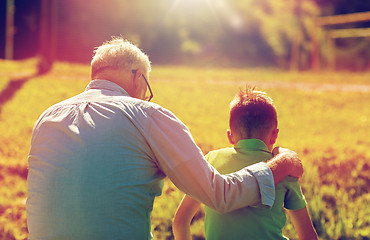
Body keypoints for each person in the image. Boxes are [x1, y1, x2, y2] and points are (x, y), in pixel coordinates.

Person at [27, 37, 303, 240]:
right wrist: (283, 162)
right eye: (146, 87)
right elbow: (220, 195)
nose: (145, 94)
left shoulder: (47, 117)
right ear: (138, 78)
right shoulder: (146, 114)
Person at [173, 86, 318, 240]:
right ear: (274, 136)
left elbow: (180, 221)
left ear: (230, 136)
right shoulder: (284, 170)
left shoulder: (211, 161)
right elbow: (308, 236)